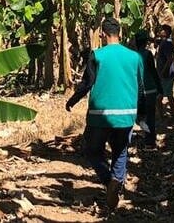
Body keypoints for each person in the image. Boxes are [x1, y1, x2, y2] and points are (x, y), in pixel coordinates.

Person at [65, 18, 144, 211]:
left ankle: (109, 181)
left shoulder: (97, 55)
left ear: (102, 34)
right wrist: (140, 115)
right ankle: (117, 182)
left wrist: (72, 100)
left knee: (92, 150)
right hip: (126, 114)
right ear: (120, 34)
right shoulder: (135, 57)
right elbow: (141, 88)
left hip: (100, 114)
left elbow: (87, 84)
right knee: (120, 150)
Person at [133, 31, 164, 147]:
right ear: (146, 42)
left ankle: (143, 136)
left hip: (138, 91)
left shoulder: (132, 55)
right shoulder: (147, 54)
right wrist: (160, 88)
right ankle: (150, 141)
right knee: (150, 116)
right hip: (149, 90)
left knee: (139, 116)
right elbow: (153, 71)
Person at [154, 23, 174, 116]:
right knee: (168, 95)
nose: (160, 31)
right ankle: (169, 115)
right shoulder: (165, 42)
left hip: (167, 74)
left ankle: (165, 116)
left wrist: (163, 72)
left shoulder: (167, 44)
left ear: (166, 32)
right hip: (167, 73)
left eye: (162, 30)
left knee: (161, 97)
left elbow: (169, 59)